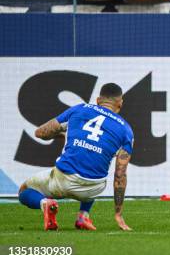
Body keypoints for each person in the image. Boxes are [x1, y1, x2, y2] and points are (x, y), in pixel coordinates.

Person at [17, 83, 133, 232]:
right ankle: (83, 216)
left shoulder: (80, 109)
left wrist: (64, 134)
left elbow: (41, 133)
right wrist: (118, 214)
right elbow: (120, 175)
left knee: (24, 190)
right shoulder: (125, 129)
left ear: (98, 100)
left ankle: (44, 203)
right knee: (95, 163)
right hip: (94, 187)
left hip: (64, 179)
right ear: (120, 103)